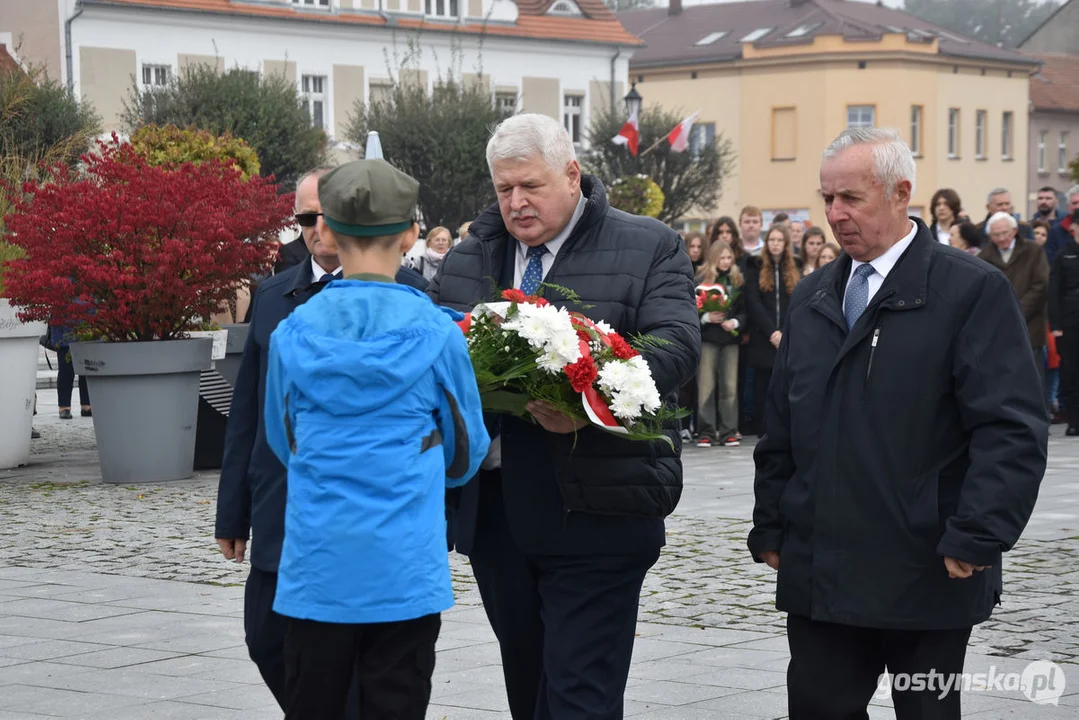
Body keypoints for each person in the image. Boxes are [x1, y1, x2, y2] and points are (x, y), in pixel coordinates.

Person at [749, 128, 1047, 719]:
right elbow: (780, 427)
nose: (835, 214)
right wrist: (772, 523)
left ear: (900, 192)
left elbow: (1010, 426)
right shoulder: (813, 299)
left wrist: (981, 531)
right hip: (823, 569)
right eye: (827, 199)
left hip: (927, 565)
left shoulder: (970, 291)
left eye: (851, 199)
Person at [427, 113, 700, 720]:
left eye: (531, 186)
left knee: (581, 696)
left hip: (600, 506)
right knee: (530, 692)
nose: (517, 203)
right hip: (497, 517)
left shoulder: (649, 244)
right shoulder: (471, 257)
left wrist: (587, 399)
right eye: (504, 190)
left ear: (572, 175)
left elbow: (676, 345)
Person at [263, 160, 489, 720]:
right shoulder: (438, 332)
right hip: (403, 562)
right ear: (410, 234)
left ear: (331, 233)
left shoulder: (292, 330)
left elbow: (282, 440)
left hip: (318, 563)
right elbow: (466, 452)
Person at [215, 167, 380, 712]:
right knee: (265, 639)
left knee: (348, 653)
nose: (316, 228)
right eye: (306, 218)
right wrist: (232, 512)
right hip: (280, 504)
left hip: (356, 512)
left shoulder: (398, 296)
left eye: (326, 216)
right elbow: (246, 409)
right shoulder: (273, 294)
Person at [979, 211, 1050, 410]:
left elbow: (1040, 285)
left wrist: (1016, 312)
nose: (1001, 238)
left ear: (1015, 230)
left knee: (1033, 374)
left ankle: (1039, 415)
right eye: (996, 234)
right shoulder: (984, 256)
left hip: (1030, 324)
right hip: (999, 326)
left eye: (1005, 233)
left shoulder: (1033, 251)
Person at [744, 224, 800, 437]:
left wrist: (785, 331)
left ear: (785, 244)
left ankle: (783, 426)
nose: (775, 244)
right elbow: (752, 301)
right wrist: (772, 332)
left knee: (785, 383)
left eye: (779, 240)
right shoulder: (755, 265)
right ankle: (763, 426)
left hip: (787, 336)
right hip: (764, 336)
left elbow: (797, 300)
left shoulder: (794, 266)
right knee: (762, 383)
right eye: (772, 240)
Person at [695, 241, 744, 448]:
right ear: (714, 258)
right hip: (708, 338)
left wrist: (735, 322)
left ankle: (729, 431)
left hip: (730, 340)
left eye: (729, 258)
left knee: (729, 386)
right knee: (706, 385)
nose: (725, 262)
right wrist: (706, 317)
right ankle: (706, 431)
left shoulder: (737, 280)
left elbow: (745, 309)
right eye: (722, 258)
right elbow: (691, 309)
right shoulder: (700, 280)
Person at [1049, 208, 1079, 436]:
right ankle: (1074, 419)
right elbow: (1054, 291)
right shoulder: (1063, 255)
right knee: (1069, 371)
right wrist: (1056, 325)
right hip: (1069, 322)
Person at [1046, 185, 1079, 262]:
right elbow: (1051, 262)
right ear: (1068, 206)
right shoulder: (1056, 231)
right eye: (1074, 203)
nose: (1078, 206)